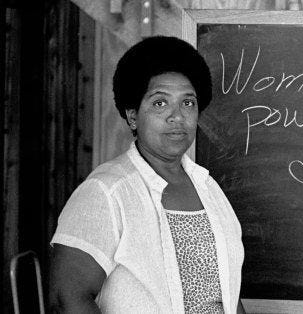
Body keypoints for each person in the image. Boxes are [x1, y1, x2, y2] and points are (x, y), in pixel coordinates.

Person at [49, 36, 245, 314]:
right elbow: (67, 298)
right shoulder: (107, 192)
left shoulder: (209, 188)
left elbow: (228, 294)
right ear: (132, 116)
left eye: (187, 103)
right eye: (160, 103)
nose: (177, 116)